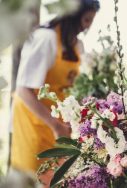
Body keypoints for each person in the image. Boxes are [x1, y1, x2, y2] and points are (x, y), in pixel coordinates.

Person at [10, 0, 100, 173]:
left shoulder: (75, 44)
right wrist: (56, 125)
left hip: (58, 126)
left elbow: (71, 87)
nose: (87, 27)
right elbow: (23, 90)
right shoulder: (45, 38)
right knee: (32, 177)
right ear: (74, 14)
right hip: (33, 124)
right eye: (87, 20)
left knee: (56, 178)